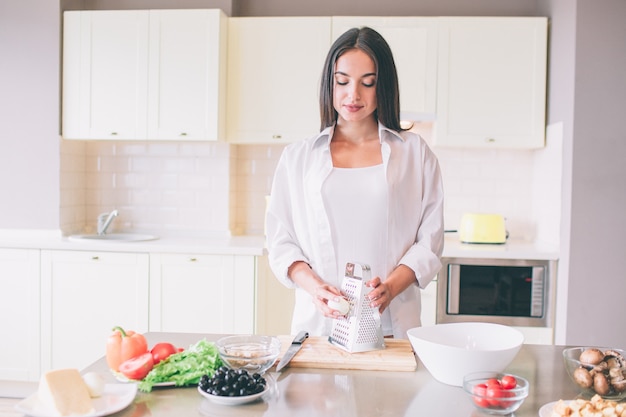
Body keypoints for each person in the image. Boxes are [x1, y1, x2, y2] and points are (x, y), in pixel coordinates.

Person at [265, 26, 444, 339]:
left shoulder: (414, 154)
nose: (353, 95)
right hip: (318, 329)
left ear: (383, 85)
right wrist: (315, 287)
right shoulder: (298, 158)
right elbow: (280, 242)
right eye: (342, 81)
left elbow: (430, 240)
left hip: (392, 329)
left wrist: (390, 288)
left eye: (368, 83)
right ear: (329, 83)